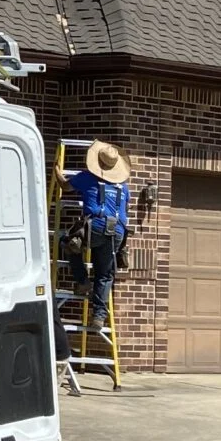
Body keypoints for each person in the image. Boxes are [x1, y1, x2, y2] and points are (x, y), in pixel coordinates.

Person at [65, 140, 132, 342]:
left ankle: (82, 281)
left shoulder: (87, 177)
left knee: (68, 243)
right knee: (104, 274)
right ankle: (99, 316)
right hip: (118, 231)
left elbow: (65, 186)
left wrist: (58, 172)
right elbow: (125, 208)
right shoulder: (124, 188)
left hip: (95, 225)